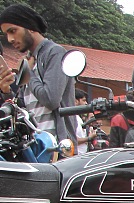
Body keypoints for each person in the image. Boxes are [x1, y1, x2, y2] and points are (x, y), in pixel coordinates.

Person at [0, 3, 77, 148]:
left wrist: (29, 73)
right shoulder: (29, 61)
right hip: (36, 147)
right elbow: (22, 108)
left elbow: (51, 99)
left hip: (58, 149)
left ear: (29, 26)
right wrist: (6, 92)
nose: (10, 39)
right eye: (6, 34)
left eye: (13, 31)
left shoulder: (55, 53)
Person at [73, 88, 96, 155]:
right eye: (84, 100)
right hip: (75, 156)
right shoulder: (72, 118)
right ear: (76, 101)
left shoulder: (78, 118)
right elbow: (74, 140)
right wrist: (89, 138)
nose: (86, 103)